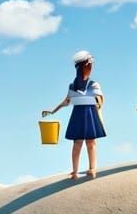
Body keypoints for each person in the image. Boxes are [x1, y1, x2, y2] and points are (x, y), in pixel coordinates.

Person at [43, 50, 106, 179]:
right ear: (84, 67)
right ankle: (75, 170)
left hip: (90, 114)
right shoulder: (73, 86)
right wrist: (52, 110)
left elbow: (100, 99)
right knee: (77, 144)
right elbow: (66, 101)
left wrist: (99, 103)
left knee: (91, 142)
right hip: (78, 114)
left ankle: (92, 168)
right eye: (89, 66)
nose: (91, 68)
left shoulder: (94, 84)